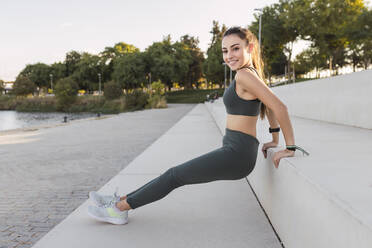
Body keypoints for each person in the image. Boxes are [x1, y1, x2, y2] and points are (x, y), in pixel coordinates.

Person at [87, 26, 309, 225]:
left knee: (174, 176)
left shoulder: (244, 75)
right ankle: (120, 200)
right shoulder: (249, 74)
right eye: (225, 51)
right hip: (235, 149)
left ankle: (118, 209)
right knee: (172, 174)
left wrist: (289, 147)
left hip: (237, 154)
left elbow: (280, 107)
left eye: (235, 49)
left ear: (249, 47)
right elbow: (269, 106)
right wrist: (274, 137)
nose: (229, 55)